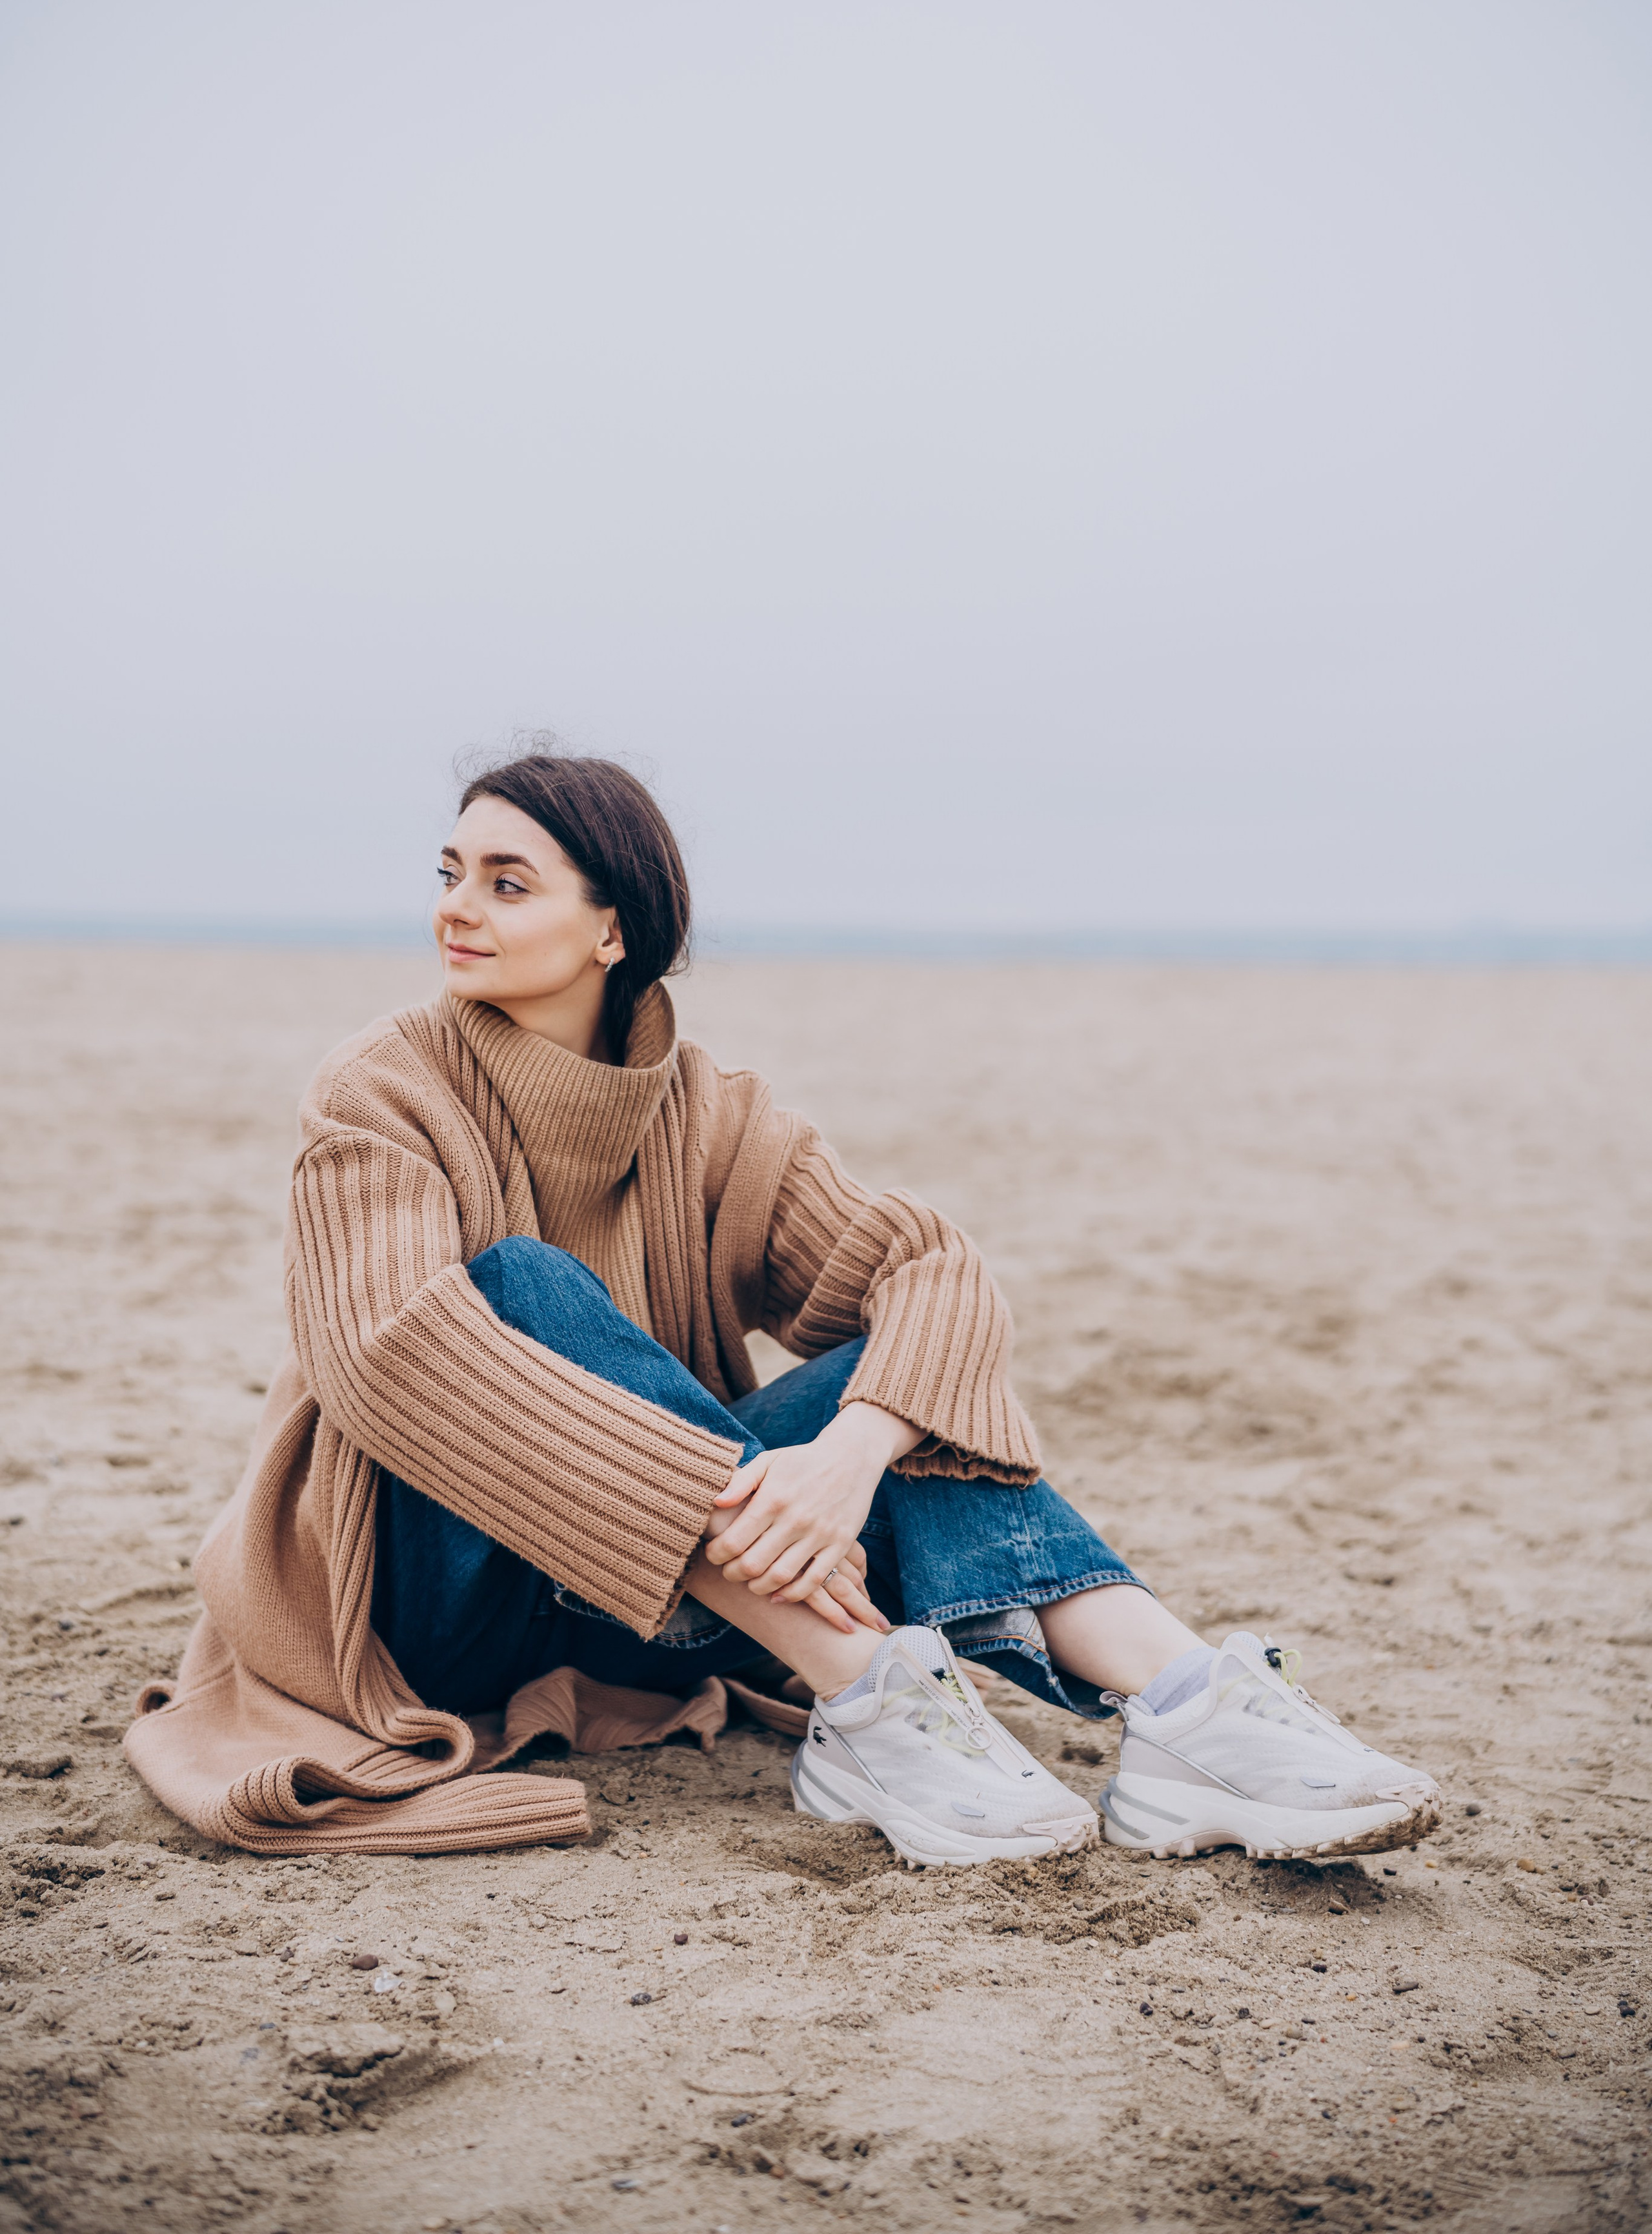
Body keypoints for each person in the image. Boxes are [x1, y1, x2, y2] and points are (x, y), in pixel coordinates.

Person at [126, 748, 1441, 1868]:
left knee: (899, 1371)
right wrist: (744, 1492)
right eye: (450, 873)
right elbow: (389, 1358)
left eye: (505, 882)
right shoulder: (378, 1093)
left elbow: (932, 1268)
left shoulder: (714, 1115)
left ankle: (1183, 1706)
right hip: (424, 1614)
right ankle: (872, 1698)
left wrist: (845, 1457)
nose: (456, 910)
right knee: (516, 1284)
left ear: (612, 931)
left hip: (648, 1617)